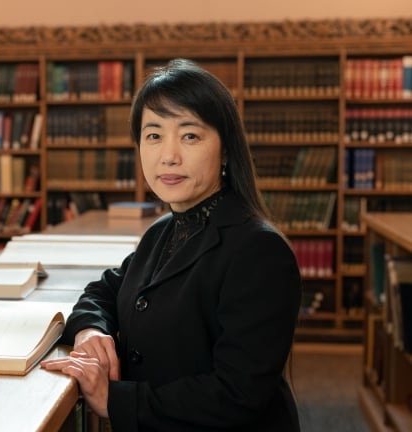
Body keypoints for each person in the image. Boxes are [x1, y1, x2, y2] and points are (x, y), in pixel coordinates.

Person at [40, 58, 302, 431]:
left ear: (225, 149)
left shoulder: (259, 252)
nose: (169, 155)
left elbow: (237, 394)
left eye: (190, 135)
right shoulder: (164, 230)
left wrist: (116, 401)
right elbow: (104, 290)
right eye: (154, 135)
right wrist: (91, 331)